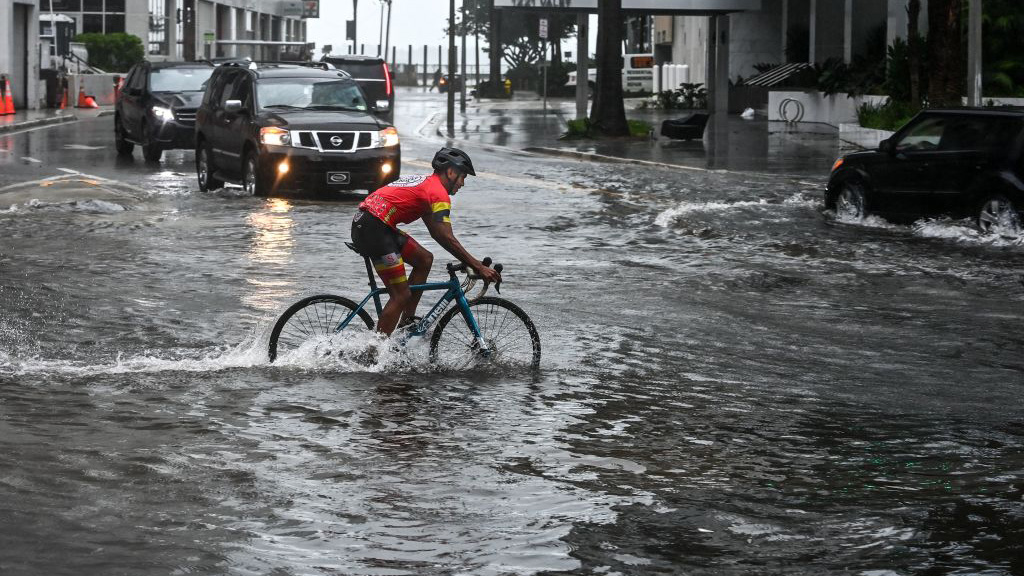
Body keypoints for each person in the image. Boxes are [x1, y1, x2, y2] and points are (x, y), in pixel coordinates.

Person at [351, 147, 500, 336]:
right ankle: (375, 352)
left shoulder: (428, 187)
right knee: (401, 295)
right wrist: (478, 266)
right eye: (463, 177)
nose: (462, 183)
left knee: (424, 259)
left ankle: (406, 325)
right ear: (451, 171)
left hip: (372, 224)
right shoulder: (438, 194)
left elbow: (439, 234)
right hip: (374, 228)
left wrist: (469, 261)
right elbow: (446, 237)